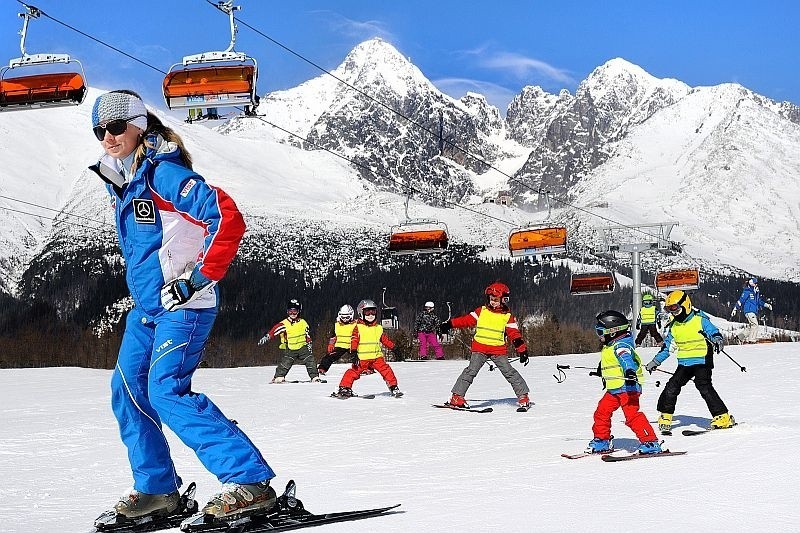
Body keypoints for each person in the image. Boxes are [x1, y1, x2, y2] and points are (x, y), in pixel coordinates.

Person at [88, 90, 276, 523]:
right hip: (148, 310)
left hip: (184, 305)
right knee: (128, 391)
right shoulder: (124, 180)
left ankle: (250, 484)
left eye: (117, 128)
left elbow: (226, 216)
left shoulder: (163, 175)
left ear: (140, 126)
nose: (108, 138)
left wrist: (197, 280)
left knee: (166, 391)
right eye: (100, 131)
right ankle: (157, 491)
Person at [645, 290, 735, 434]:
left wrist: (718, 340)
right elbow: (667, 348)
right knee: (672, 386)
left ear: (685, 305)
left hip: (702, 361)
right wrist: (655, 361)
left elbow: (714, 332)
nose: (673, 313)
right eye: (670, 309)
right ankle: (666, 416)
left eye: (675, 308)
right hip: (685, 363)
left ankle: (722, 417)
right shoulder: (674, 326)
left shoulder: (700, 320)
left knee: (703, 386)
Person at [440, 282, 531, 410]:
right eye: (491, 299)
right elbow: (466, 320)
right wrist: (449, 324)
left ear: (504, 300)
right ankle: (457, 397)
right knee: (470, 371)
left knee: (509, 372)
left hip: (498, 350)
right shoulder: (481, 311)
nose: (493, 302)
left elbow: (514, 334)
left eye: (496, 300)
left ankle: (523, 396)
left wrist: (522, 350)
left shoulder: (507, 317)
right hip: (479, 348)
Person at [586, 311, 662, 454]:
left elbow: (625, 359)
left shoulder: (621, 346)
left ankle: (650, 442)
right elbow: (611, 363)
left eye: (600, 331)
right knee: (601, 412)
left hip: (628, 388)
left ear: (613, 331)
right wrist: (601, 370)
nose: (599, 335)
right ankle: (602, 440)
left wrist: (629, 372)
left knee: (632, 416)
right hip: (614, 389)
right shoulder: (610, 346)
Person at [333, 299, 402, 398]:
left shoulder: (378, 328)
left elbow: (384, 340)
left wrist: (394, 348)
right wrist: (353, 352)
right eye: (367, 312)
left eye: (373, 312)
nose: (371, 315)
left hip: (377, 358)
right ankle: (344, 387)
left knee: (387, 370)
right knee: (353, 372)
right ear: (361, 313)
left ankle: (393, 386)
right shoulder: (358, 328)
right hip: (362, 358)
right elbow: (354, 340)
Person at [258, 299, 321, 383]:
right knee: (285, 363)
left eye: (294, 312)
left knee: (310, 361)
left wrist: (309, 344)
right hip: (291, 348)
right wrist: (268, 336)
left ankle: (315, 377)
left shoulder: (303, 322)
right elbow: (275, 330)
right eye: (290, 312)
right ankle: (279, 377)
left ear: (298, 312)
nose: (292, 314)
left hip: (303, 347)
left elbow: (307, 335)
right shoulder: (285, 324)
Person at [317, 304, 357, 375]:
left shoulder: (356, 324)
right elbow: (333, 335)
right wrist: (331, 344)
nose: (345, 319)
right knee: (329, 356)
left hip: (352, 346)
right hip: (340, 346)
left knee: (360, 356)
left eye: (347, 317)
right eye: (343, 317)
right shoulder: (336, 325)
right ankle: (322, 368)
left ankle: (363, 369)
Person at [731, 277, 773, 343]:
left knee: (751, 326)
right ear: (751, 283)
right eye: (755, 283)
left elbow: (758, 301)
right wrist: (735, 309)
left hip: (753, 311)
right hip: (749, 310)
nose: (756, 284)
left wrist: (766, 305)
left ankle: (739, 338)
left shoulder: (755, 292)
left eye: (756, 283)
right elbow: (741, 300)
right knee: (755, 325)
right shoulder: (747, 291)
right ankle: (752, 340)